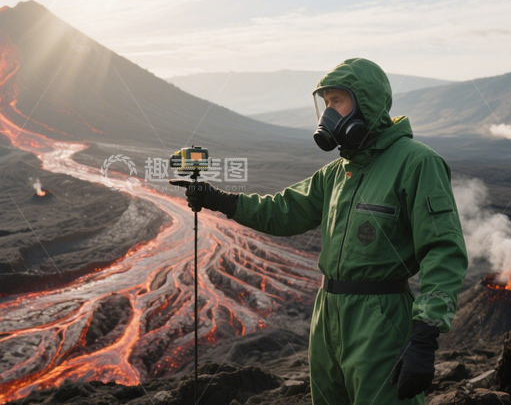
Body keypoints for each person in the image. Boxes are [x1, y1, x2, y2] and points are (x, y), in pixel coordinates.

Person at [170, 58, 468, 404]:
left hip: (381, 319)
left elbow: (443, 249)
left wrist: (425, 336)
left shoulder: (416, 163)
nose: (329, 114)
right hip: (327, 313)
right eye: (325, 104)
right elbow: (283, 212)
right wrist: (218, 199)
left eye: (337, 101)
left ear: (366, 104)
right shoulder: (337, 173)